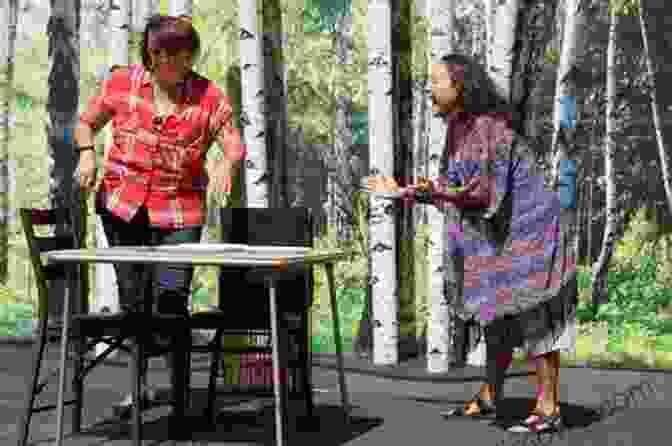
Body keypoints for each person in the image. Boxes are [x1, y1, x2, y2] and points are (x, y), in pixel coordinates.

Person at [365, 53, 578, 433]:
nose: (430, 89)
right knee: (494, 317)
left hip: (530, 233)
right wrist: (406, 192)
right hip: (503, 237)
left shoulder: (490, 129)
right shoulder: (459, 127)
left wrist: (423, 192)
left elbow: (483, 195)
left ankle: (549, 409)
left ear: (460, 86)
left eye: (437, 82)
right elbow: (456, 188)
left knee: (535, 318)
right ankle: (490, 397)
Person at [74, 14, 245, 417]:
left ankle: (180, 396)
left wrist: (226, 164)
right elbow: (86, 123)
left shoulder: (209, 96)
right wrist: (86, 152)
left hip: (179, 210)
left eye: (177, 54)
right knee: (134, 303)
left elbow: (233, 142)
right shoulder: (122, 84)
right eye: (158, 53)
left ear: (190, 55)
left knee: (171, 302)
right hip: (121, 206)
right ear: (149, 54)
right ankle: (138, 388)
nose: (166, 61)